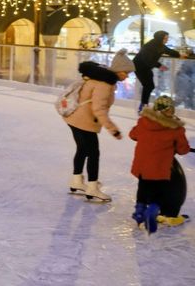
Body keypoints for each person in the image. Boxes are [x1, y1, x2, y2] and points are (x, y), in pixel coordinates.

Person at [63, 50, 133, 202]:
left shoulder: (102, 78)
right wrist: (113, 129)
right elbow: (99, 109)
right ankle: (92, 187)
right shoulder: (105, 83)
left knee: (82, 149)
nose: (127, 76)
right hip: (84, 121)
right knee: (93, 153)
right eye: (126, 72)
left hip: (74, 118)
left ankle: (76, 180)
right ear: (119, 70)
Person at [129, 95, 191, 233]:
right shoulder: (175, 129)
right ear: (170, 110)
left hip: (142, 165)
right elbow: (183, 149)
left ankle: (139, 211)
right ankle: (152, 210)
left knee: (143, 188)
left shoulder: (144, 121)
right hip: (160, 167)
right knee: (160, 193)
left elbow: (133, 135)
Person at [133, 30, 181, 112]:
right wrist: (160, 66)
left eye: (167, 38)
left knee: (149, 86)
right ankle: (143, 106)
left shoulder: (160, 45)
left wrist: (179, 54)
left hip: (146, 67)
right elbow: (147, 60)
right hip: (139, 66)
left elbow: (169, 51)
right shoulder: (149, 46)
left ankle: (144, 105)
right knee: (148, 86)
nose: (167, 40)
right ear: (160, 38)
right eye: (165, 38)